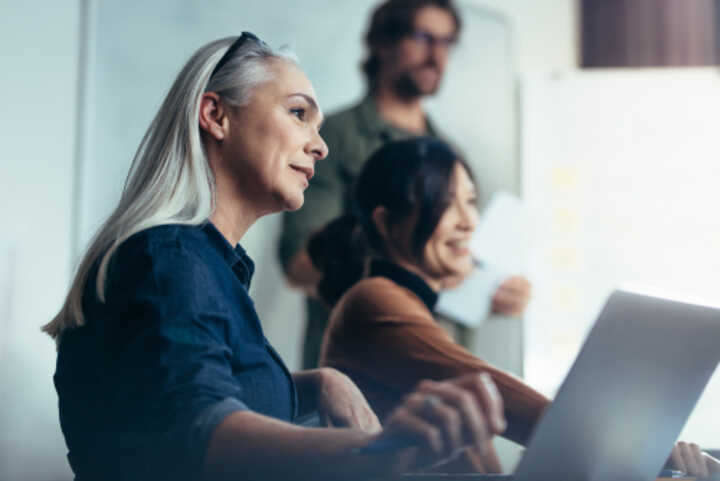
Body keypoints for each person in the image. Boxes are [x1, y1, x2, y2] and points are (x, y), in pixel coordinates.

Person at [42, 33, 508, 481]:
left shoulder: (203, 266)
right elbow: (202, 433)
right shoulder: (170, 261)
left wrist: (316, 384)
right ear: (216, 115)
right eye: (298, 114)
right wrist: (386, 452)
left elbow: (201, 397)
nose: (319, 146)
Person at [309, 137, 720, 476]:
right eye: (445, 203)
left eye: (471, 201)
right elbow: (495, 394)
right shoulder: (374, 300)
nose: (469, 221)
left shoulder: (404, 305)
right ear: (386, 223)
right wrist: (646, 451)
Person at [278, 0, 531, 370]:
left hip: (445, 369)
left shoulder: (450, 152)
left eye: (447, 42)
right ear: (382, 43)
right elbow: (299, 263)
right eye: (423, 37)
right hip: (360, 376)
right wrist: (417, 259)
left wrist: (490, 290)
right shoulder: (333, 137)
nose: (436, 55)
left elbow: (455, 266)